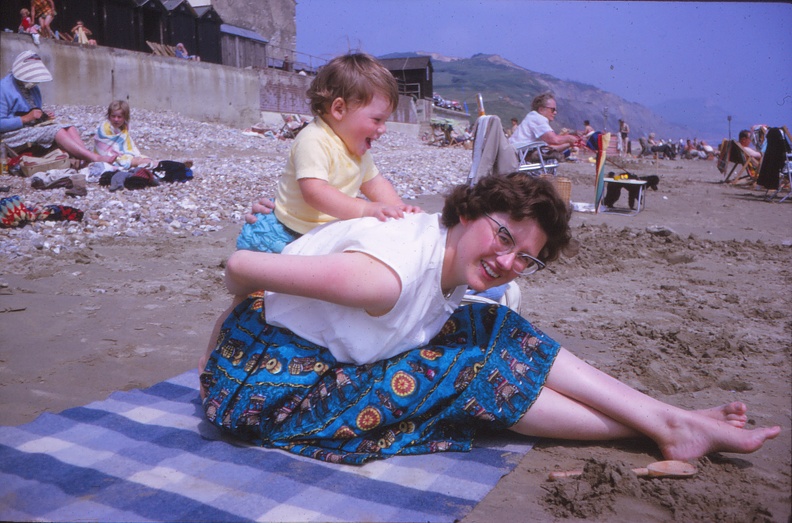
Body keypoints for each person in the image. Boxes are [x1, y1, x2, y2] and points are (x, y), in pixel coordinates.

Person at [199, 173, 780, 465]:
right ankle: (666, 427)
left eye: (525, 257)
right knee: (473, 371)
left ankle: (668, 420)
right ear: (469, 213)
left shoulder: (449, 260)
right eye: (503, 236)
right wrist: (232, 334)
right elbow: (240, 264)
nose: (508, 262)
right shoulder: (384, 274)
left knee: (493, 333)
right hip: (271, 389)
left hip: (320, 362)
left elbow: (497, 319)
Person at [207, 52, 421, 359]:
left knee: (297, 311)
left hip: (315, 241)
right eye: (377, 119)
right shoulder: (315, 139)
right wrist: (365, 209)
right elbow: (315, 192)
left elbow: (377, 185)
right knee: (245, 304)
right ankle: (209, 360)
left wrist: (402, 212)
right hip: (281, 235)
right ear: (339, 109)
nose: (383, 129)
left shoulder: (357, 152)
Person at [0, 51, 117, 166]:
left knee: (68, 127)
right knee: (56, 131)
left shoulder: (32, 88)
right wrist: (25, 118)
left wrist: (43, 116)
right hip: (12, 134)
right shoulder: (4, 88)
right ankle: (94, 158)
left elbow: (32, 110)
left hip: (30, 128)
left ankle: (84, 158)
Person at [509, 92, 579, 160]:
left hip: (518, 151)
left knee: (552, 153)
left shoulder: (533, 117)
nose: (555, 112)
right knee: (554, 155)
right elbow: (554, 140)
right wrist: (570, 138)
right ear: (541, 109)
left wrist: (569, 144)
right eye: (552, 109)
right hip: (518, 153)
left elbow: (551, 146)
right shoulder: (538, 118)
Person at [94, 100, 155, 169]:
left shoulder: (123, 129)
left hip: (122, 155)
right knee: (141, 161)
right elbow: (103, 150)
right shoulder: (104, 129)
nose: (116, 119)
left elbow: (128, 145)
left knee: (146, 160)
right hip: (108, 157)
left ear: (125, 118)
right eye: (113, 116)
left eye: (119, 117)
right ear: (109, 116)